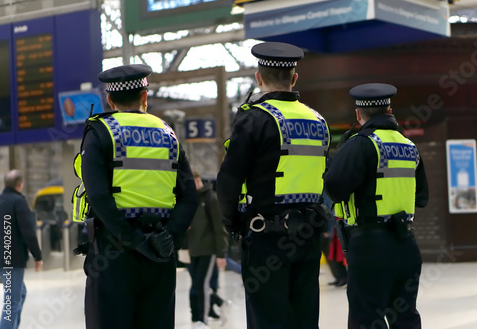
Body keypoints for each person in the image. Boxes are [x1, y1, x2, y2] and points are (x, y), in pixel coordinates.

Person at [217, 42, 330, 329]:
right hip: (308, 236)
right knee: (304, 317)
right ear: (294, 79)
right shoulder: (318, 121)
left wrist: (231, 223)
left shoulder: (254, 119)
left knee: (268, 318)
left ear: (258, 77)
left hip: (267, 236)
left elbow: (230, 178)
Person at [78, 64, 199, 329]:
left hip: (113, 255)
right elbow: (190, 197)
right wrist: (168, 237)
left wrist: (134, 239)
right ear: (145, 96)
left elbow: (99, 197)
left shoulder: (100, 132)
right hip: (160, 253)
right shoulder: (168, 134)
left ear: (110, 100)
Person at [324, 83, 429, 329]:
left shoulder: (360, 145)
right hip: (406, 243)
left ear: (358, 114)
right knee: (405, 317)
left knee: (366, 318)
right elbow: (421, 196)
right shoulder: (409, 146)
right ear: (390, 109)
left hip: (369, 246)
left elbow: (335, 189)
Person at [0, 170, 43, 329]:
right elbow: (28, 232)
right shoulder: (19, 201)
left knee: (20, 294)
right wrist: (38, 256)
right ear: (20, 184)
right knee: (11, 303)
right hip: (12, 260)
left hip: (1, 259)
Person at [186, 168, 230, 328]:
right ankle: (221, 303)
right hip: (193, 249)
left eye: (196, 180)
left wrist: (221, 253)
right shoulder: (190, 200)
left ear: (200, 180)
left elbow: (219, 227)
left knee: (203, 284)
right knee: (197, 284)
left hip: (209, 249)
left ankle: (203, 320)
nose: (194, 184)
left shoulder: (211, 198)